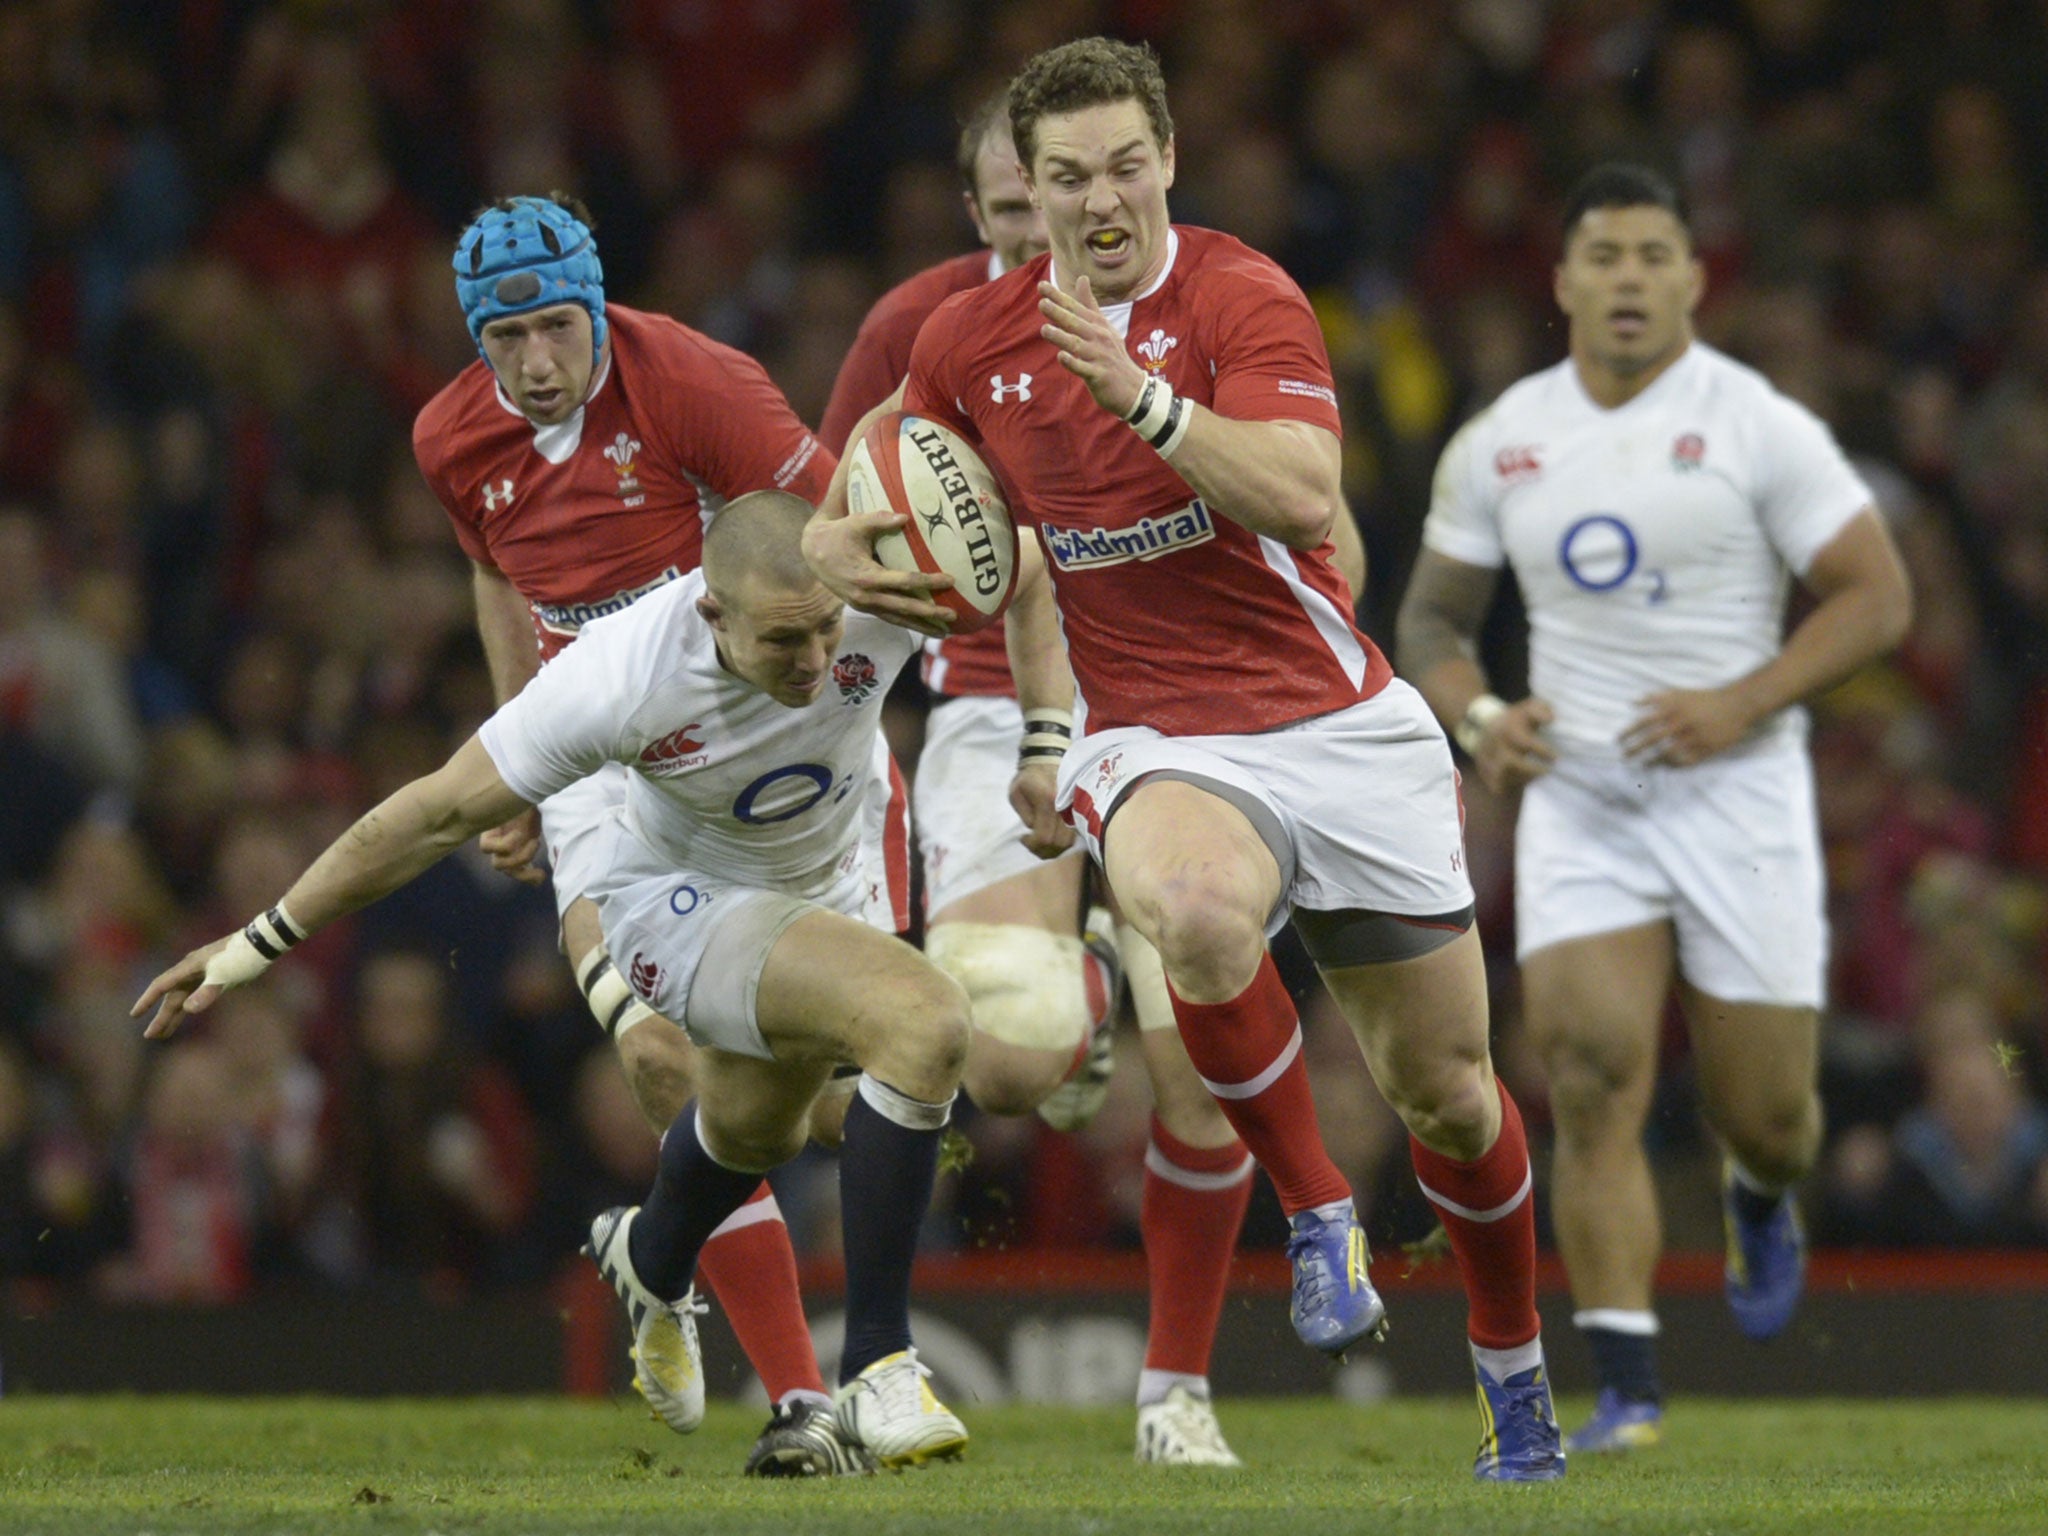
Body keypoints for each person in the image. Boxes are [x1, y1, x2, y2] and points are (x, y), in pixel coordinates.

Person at [805, 38, 1563, 1482]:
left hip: (1335, 723)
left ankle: (1514, 1371)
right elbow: (871, 486)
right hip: (1148, 726)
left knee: (1454, 1096)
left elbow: (1304, 491)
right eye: (1066, 177)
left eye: (1125, 168)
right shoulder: (965, 343)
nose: (1099, 202)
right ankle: (1319, 1211)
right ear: (1025, 188)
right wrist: (853, 550)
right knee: (1202, 915)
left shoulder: (1239, 293)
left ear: (1168, 165)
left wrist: (1139, 395)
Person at [134, 491, 971, 1470]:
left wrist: (1045, 738)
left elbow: (1028, 563)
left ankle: (652, 1253)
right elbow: (432, 814)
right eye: (783, 640)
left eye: (825, 632)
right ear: (712, 613)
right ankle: (875, 1365)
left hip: (814, 874)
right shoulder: (616, 677)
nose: (814, 661)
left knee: (764, 1131)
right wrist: (251, 945)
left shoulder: (858, 582)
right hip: (678, 902)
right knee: (924, 1024)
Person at [820, 93, 1354, 1467]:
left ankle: (1175, 1393)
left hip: (1192, 711)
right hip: (993, 716)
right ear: (987, 207)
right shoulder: (923, 333)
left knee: (1200, 1079)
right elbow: (845, 521)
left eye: (1074, 193)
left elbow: (1312, 503)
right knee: (1005, 1059)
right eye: (1016, 207)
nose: (1049, 230)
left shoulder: (1206, 302)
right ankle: (1091, 980)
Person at [1395, 163, 1911, 1452]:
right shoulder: (1500, 435)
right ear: (1562, 281)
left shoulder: (1755, 424)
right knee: (1587, 1072)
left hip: (1737, 797)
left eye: (1651, 256)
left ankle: (1757, 1191)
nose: (1626, 278)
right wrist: (1478, 718)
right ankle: (1625, 1389)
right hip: (1585, 800)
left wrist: (1746, 698)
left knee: (1769, 1117)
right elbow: (1429, 620)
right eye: (1603, 256)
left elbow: (1874, 594)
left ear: (1691, 278)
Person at [411, 194, 858, 1474]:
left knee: (828, 1092)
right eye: (506, 341)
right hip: (592, 749)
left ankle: (654, 1254)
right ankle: (802, 1404)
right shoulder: (450, 438)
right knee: (664, 1056)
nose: (536, 362)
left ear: (597, 306)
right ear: (475, 343)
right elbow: (495, 572)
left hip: (731, 731)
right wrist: (516, 752)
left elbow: (824, 542)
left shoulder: (699, 384)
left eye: (557, 327)